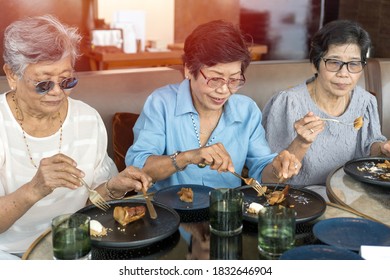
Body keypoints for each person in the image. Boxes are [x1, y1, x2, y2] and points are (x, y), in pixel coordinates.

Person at [0, 15, 152, 259]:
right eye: (43, 84)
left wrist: (112, 189)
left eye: (67, 80)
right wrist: (34, 189)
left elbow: (90, 203)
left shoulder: (86, 119)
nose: (58, 93)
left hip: (75, 248)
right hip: (9, 255)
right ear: (12, 76)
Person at [125, 20, 301, 191]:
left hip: (226, 212)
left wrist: (277, 169)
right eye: (215, 79)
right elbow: (138, 168)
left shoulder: (247, 111)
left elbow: (261, 173)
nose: (224, 90)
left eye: (234, 80)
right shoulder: (161, 103)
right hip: (170, 213)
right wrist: (187, 157)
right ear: (188, 69)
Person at [262, 19, 390, 188]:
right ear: (316, 64)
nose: (344, 73)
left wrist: (382, 149)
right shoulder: (287, 103)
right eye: (334, 63)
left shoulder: (366, 102)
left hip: (350, 194)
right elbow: (270, 177)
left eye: (353, 64)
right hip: (297, 198)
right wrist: (301, 142)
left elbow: (369, 146)